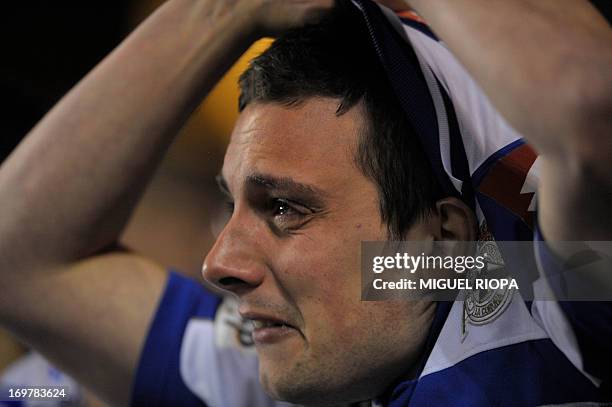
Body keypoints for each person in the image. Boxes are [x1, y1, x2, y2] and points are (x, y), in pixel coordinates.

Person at [0, 0, 610, 406]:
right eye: (231, 205)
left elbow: (590, 112)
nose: (219, 263)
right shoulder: (286, 372)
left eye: (284, 208)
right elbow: (18, 259)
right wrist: (220, 11)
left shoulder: (551, 300)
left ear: (441, 244)